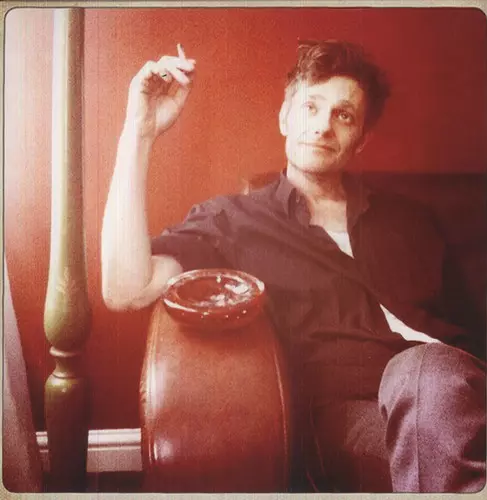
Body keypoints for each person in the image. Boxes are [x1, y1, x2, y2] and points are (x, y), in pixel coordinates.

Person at [101, 40, 486, 492]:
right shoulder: (234, 221)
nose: (323, 126)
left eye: (344, 115)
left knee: (440, 375)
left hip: (466, 391)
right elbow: (127, 289)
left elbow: (468, 329)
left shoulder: (411, 221)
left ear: (362, 139)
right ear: (285, 117)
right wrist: (139, 132)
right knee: (422, 372)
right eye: (311, 107)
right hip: (355, 413)